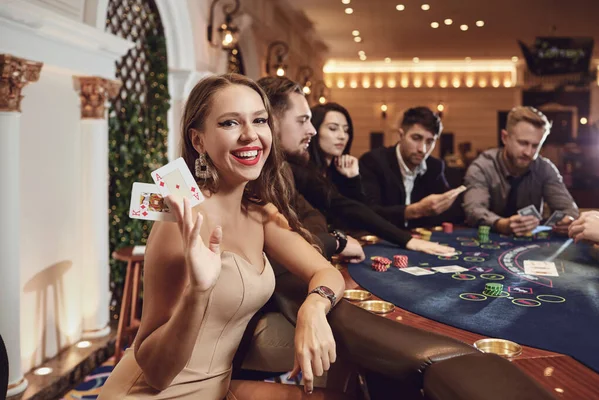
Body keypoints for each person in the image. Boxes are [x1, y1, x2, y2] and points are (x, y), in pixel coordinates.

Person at [99, 74, 348, 400]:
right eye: (230, 123)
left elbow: (325, 272)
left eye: (259, 120)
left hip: (218, 386)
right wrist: (198, 293)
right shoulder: (181, 220)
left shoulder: (261, 212)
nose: (251, 135)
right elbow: (156, 372)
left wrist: (313, 308)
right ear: (198, 141)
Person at [257, 76, 455, 256]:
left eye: (346, 130)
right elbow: (342, 211)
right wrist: (336, 241)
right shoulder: (288, 170)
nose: (312, 131)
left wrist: (351, 181)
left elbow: (347, 211)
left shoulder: (290, 168)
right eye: (333, 129)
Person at [463, 106, 578, 236]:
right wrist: (502, 224)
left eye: (535, 146)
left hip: (530, 246)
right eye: (523, 143)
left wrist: (568, 220)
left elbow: (569, 209)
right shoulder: (482, 167)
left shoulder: (545, 168)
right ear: (505, 137)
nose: (528, 152)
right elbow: (473, 210)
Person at [358, 106, 465, 228]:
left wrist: (450, 202)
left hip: (418, 240)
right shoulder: (373, 161)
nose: (422, 149)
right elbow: (369, 213)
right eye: (416, 138)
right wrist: (414, 211)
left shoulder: (435, 166)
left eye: (429, 142)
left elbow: (453, 215)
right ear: (401, 135)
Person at [307, 103, 364, 201]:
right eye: (333, 128)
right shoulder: (303, 173)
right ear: (314, 130)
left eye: (346, 130)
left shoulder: (340, 172)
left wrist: (353, 177)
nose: (342, 136)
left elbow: (359, 212)